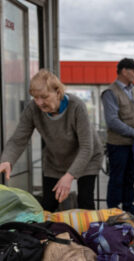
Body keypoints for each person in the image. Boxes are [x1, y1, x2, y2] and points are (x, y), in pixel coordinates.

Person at [0, 69, 103, 211]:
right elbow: (18, 139)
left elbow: (86, 147)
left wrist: (69, 176)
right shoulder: (32, 109)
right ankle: (48, 233)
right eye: (35, 98)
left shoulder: (76, 106)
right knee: (49, 204)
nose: (40, 103)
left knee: (85, 201)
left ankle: (90, 231)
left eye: (44, 97)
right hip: (56, 160)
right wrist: (7, 159)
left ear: (58, 92)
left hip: (87, 157)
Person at [101, 58, 134, 226]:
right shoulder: (110, 92)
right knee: (116, 180)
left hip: (132, 144)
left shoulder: (133, 91)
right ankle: (113, 216)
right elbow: (112, 121)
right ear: (124, 71)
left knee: (130, 179)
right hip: (118, 145)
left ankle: (130, 214)